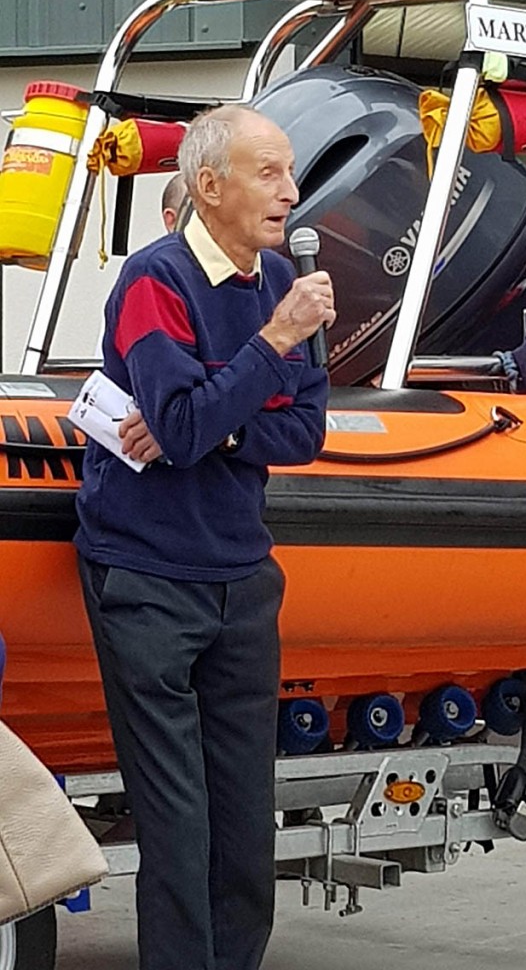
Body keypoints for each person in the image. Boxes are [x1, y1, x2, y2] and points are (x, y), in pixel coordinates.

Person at [74, 103, 336, 970]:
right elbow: (177, 429)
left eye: (291, 173)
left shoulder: (284, 289)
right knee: (178, 831)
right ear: (208, 185)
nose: (291, 194)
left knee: (243, 827)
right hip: (148, 578)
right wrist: (268, 350)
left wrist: (218, 420)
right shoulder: (157, 282)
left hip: (241, 578)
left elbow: (301, 435)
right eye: (270, 173)